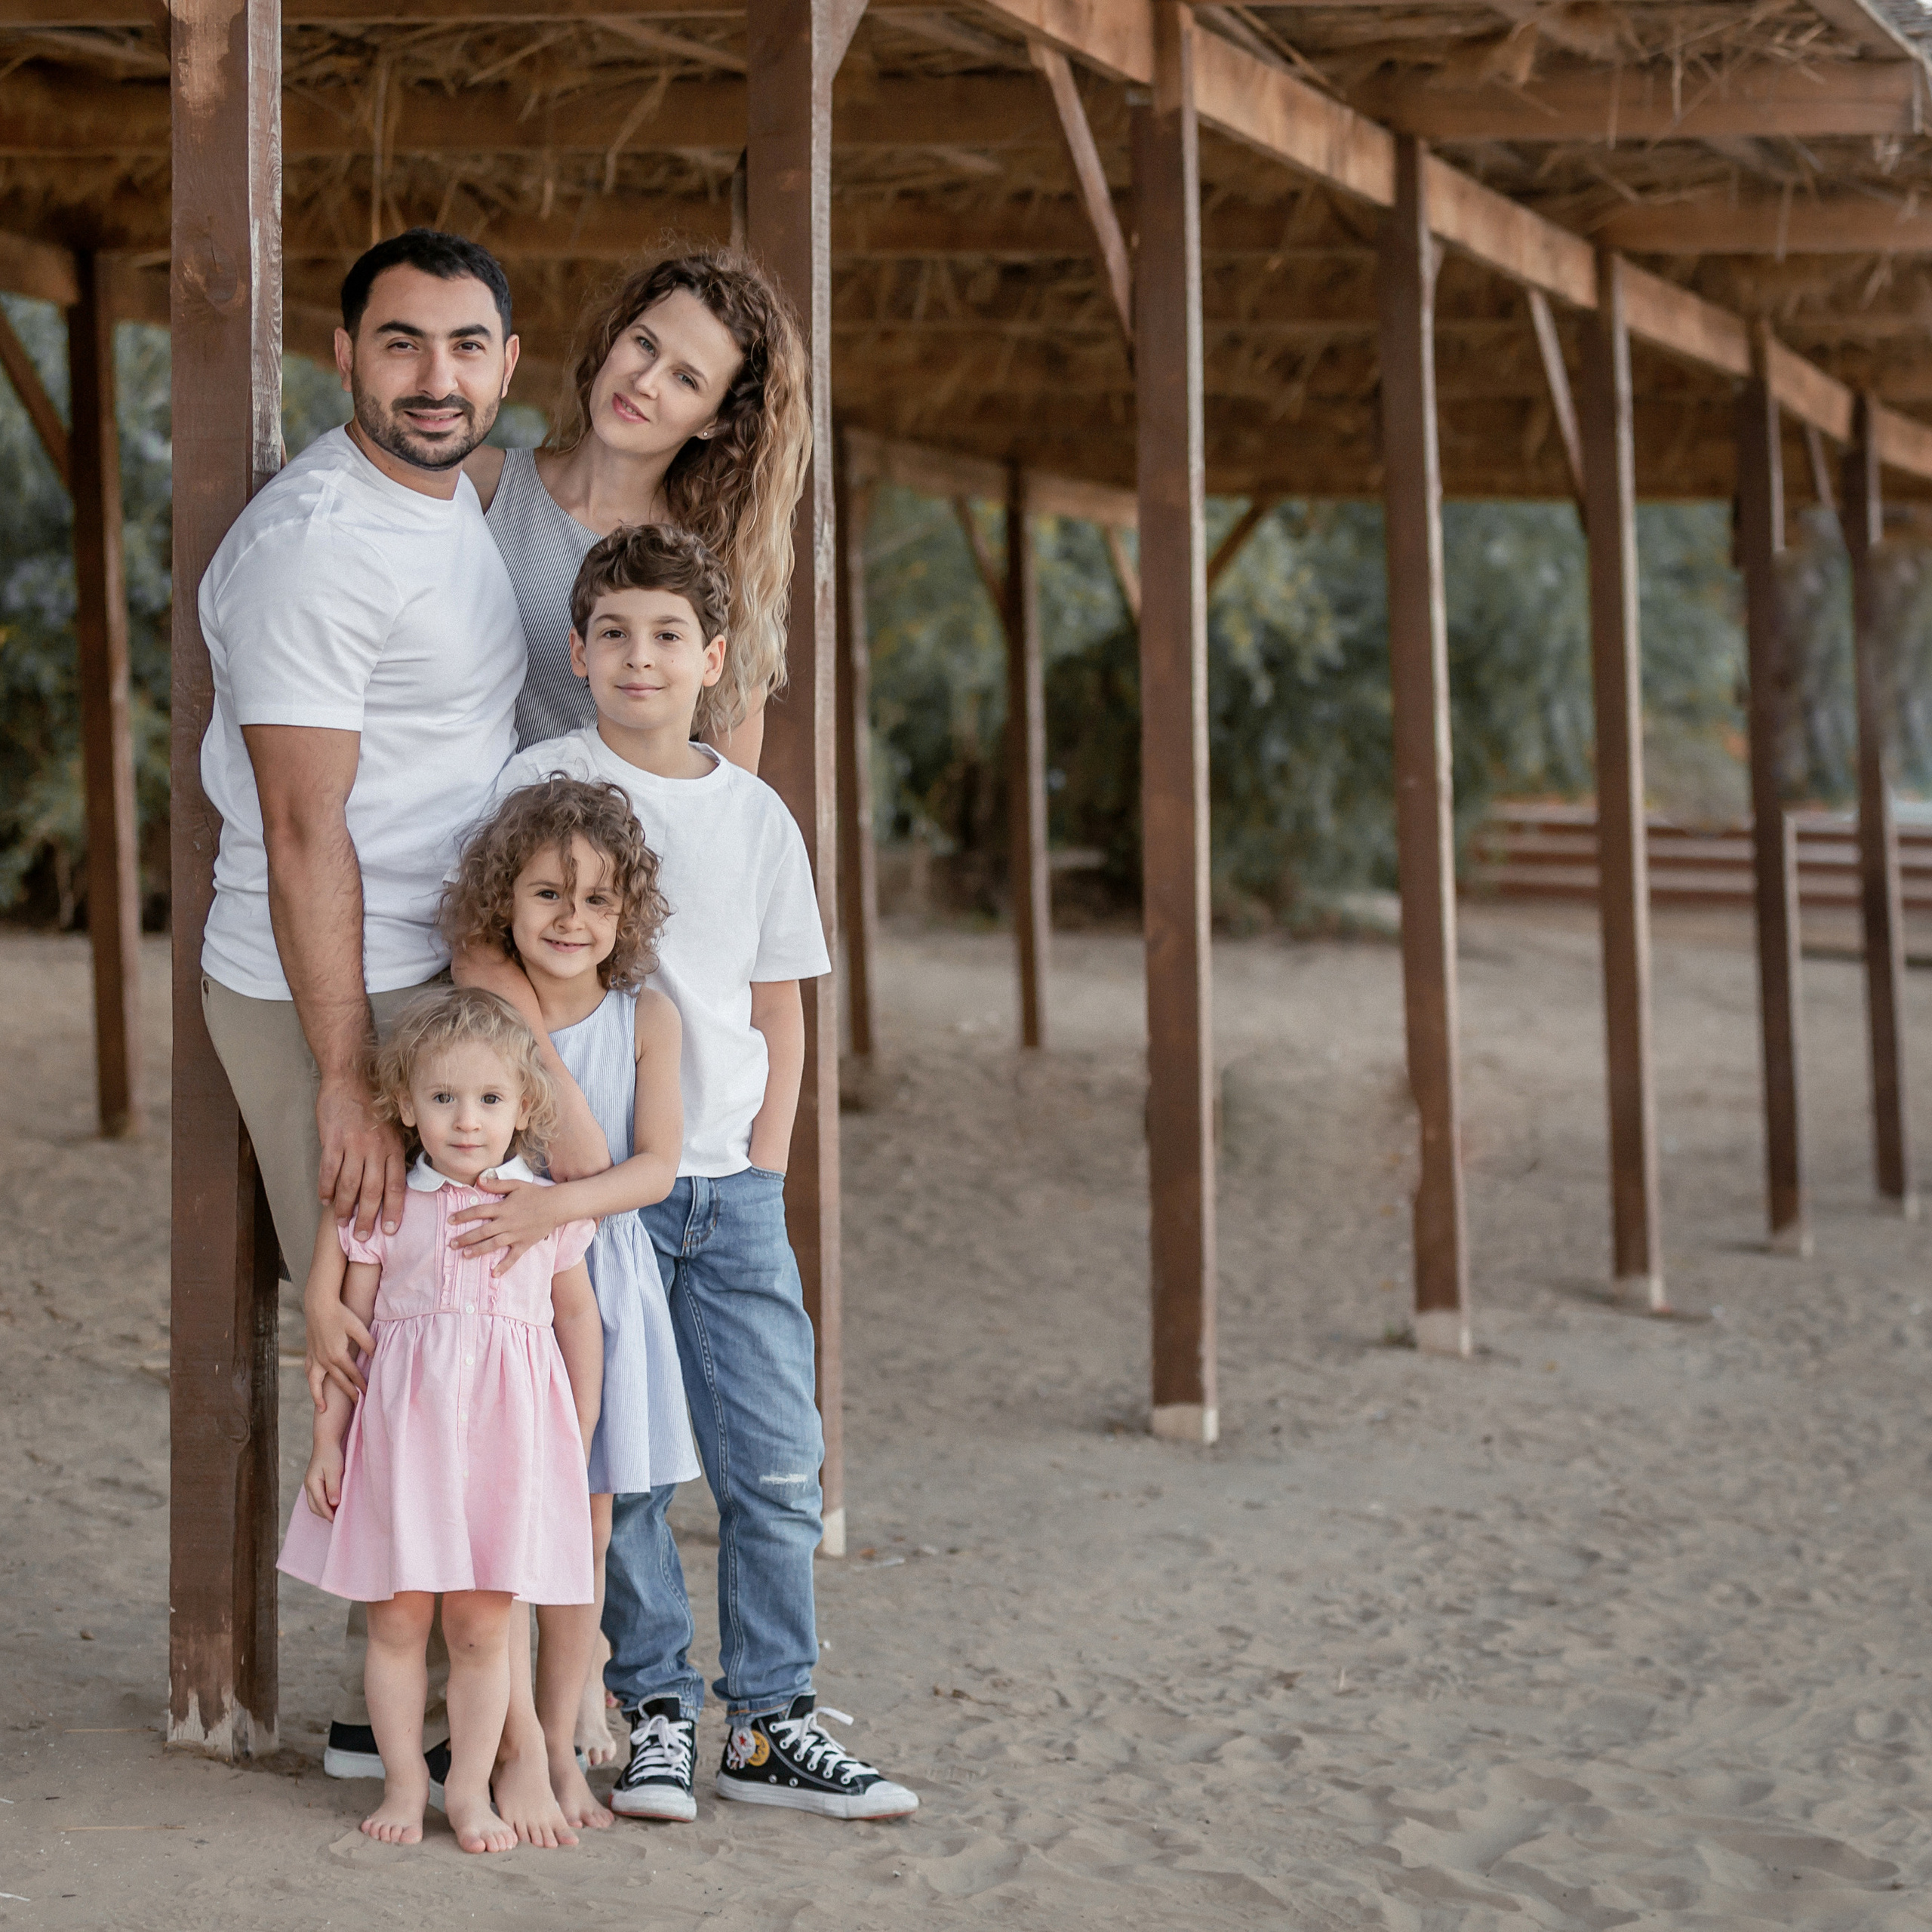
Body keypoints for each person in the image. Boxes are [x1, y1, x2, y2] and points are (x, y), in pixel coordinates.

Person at [197, 226, 608, 1795]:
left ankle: (499, 1692)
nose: (435, 377)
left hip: (450, 966)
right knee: (385, 1333)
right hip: (341, 975)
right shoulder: (319, 540)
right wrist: (348, 1071)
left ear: (509, 364)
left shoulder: (455, 498)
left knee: (523, 1292)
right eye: (400, 344)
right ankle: (387, 1706)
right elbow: (304, 829)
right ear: (343, 355)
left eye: (465, 346)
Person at [473, 523, 919, 1821]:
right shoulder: (542, 777)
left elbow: (780, 1007)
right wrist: (564, 1150)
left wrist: (764, 1172)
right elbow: (491, 956)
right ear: (578, 649)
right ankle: (657, 1707)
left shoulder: (757, 817)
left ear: (714, 656)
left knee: (776, 1461)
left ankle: (772, 1724)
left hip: (724, 1187)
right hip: (593, 1185)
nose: (639, 655)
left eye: (669, 634)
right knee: (629, 1465)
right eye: (612, 632)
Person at [279, 987, 603, 1854]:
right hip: (403, 1449)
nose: (467, 1122)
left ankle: (468, 1788)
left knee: (481, 1626)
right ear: (405, 1107)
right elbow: (346, 1341)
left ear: (525, 1108)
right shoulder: (386, 1212)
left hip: (507, 1449)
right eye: (444, 1099)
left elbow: (578, 1320)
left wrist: (575, 1436)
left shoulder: (543, 1212)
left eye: (491, 1100)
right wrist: (325, 1440)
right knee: (396, 1622)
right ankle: (403, 1780)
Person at [440, 777, 696, 1833]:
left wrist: (554, 1208)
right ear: (505, 899)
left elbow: (655, 1170)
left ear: (627, 916)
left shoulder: (649, 1017)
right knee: (496, 1521)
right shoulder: (494, 1006)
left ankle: (561, 1746)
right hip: (505, 1294)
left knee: (583, 1531)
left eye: (597, 902)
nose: (571, 921)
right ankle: (508, 1749)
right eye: (547, 895)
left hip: (606, 1278)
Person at [464, 245, 809, 773]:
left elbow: (726, 804)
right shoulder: (475, 485)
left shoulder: (711, 573)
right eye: (644, 343)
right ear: (614, 337)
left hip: (609, 850)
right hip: (440, 843)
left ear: (713, 422)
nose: (645, 382)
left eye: (685, 379)